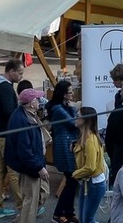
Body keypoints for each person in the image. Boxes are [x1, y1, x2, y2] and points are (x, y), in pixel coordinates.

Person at [4, 89, 48, 223]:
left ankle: (21, 219)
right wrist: (39, 167)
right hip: (30, 166)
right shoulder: (22, 119)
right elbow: (25, 151)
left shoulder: (28, 115)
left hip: (33, 163)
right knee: (30, 199)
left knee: (43, 193)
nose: (39, 101)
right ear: (31, 103)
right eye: (37, 99)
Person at [0, 60, 23, 219]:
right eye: (20, 73)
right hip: (6, 135)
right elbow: (9, 111)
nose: (21, 76)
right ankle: (24, 206)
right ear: (11, 71)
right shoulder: (5, 88)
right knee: (14, 171)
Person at [46, 82, 78, 223]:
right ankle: (58, 213)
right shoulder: (58, 109)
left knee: (73, 181)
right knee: (71, 180)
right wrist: (73, 108)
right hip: (64, 147)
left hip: (67, 144)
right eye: (70, 92)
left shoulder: (61, 107)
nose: (72, 94)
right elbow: (75, 123)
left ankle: (69, 212)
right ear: (64, 94)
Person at [72, 108, 107, 223]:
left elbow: (90, 167)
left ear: (86, 120)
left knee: (87, 219)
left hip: (94, 184)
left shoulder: (90, 140)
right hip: (88, 182)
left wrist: (75, 174)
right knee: (84, 219)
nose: (75, 118)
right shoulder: (85, 137)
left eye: (78, 116)